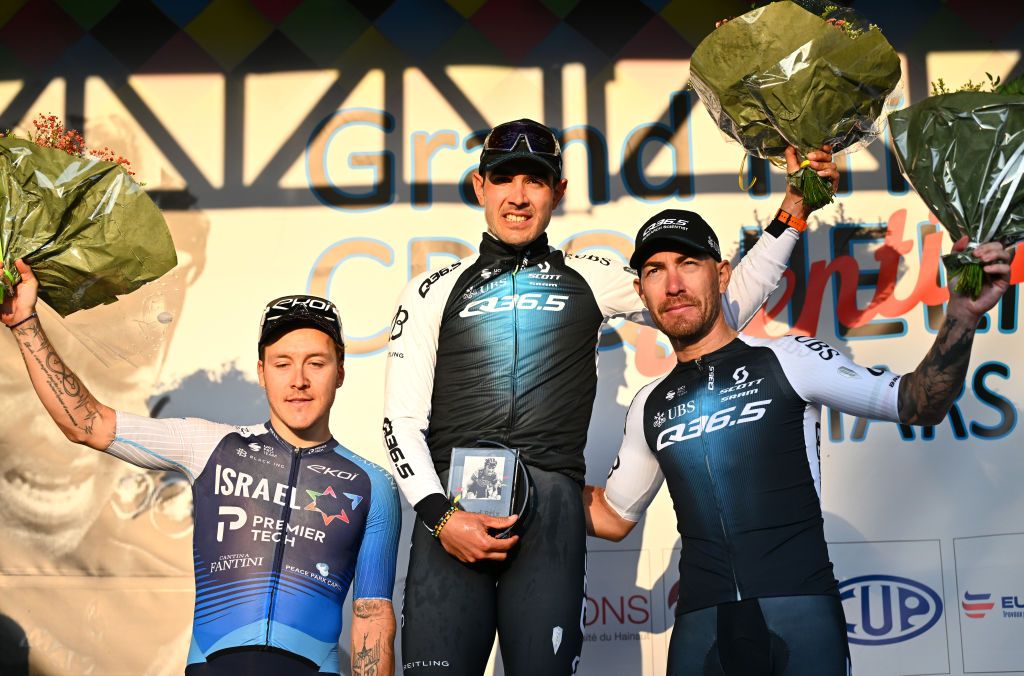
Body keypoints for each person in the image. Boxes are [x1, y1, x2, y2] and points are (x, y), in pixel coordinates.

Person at [383, 117, 839, 675]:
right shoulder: (432, 289)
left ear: (560, 191)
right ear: (480, 187)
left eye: (535, 179)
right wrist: (440, 516)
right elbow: (401, 421)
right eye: (504, 179)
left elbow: (707, 310)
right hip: (450, 516)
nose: (519, 196)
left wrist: (793, 212)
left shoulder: (590, 276)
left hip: (551, 512)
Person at [583, 215, 1013, 675]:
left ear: (722, 273)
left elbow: (917, 402)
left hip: (801, 616)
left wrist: (962, 317)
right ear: (642, 291)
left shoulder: (789, 359)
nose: (672, 284)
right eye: (654, 271)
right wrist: (532, 490)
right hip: (701, 626)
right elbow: (611, 516)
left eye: (688, 263)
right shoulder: (648, 402)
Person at [1, 262, 401, 676]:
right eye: (282, 363)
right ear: (262, 373)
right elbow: (87, 424)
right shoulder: (211, 445)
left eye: (316, 363)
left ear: (340, 372)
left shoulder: (373, 485)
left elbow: (372, 619)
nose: (298, 380)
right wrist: (25, 322)